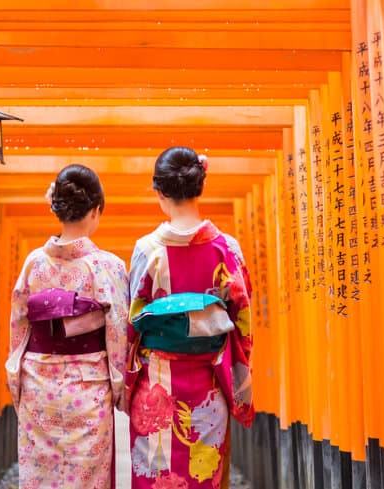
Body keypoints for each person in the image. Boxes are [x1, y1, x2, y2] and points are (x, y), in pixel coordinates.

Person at [126, 146, 254, 489]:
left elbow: (132, 323)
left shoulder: (146, 250)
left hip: (156, 387)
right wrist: (236, 382)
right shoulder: (227, 249)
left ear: (159, 191)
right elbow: (243, 326)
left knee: (156, 477)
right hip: (207, 388)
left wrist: (125, 384)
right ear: (201, 184)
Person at [6, 164, 129, 488]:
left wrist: (16, 378)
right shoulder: (108, 266)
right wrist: (120, 389)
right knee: (87, 478)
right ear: (96, 210)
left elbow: (19, 326)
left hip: (38, 386)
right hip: (88, 388)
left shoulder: (34, 263)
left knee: (40, 476)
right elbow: (117, 333)